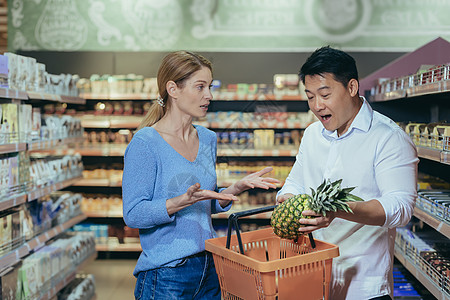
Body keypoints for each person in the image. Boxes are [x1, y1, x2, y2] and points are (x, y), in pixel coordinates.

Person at [122, 50, 280, 300]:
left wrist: (236, 188)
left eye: (209, 86)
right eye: (200, 87)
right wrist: (178, 203)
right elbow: (133, 214)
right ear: (173, 89)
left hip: (209, 266)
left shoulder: (207, 139)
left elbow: (207, 203)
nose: (209, 95)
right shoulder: (145, 143)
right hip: (166, 274)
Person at [276, 46, 418, 300]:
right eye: (310, 97)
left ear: (351, 88)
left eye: (325, 94)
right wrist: (289, 200)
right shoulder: (311, 135)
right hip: (312, 278)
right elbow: (295, 182)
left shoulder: (388, 138)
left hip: (364, 284)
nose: (317, 106)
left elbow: (400, 207)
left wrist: (339, 209)